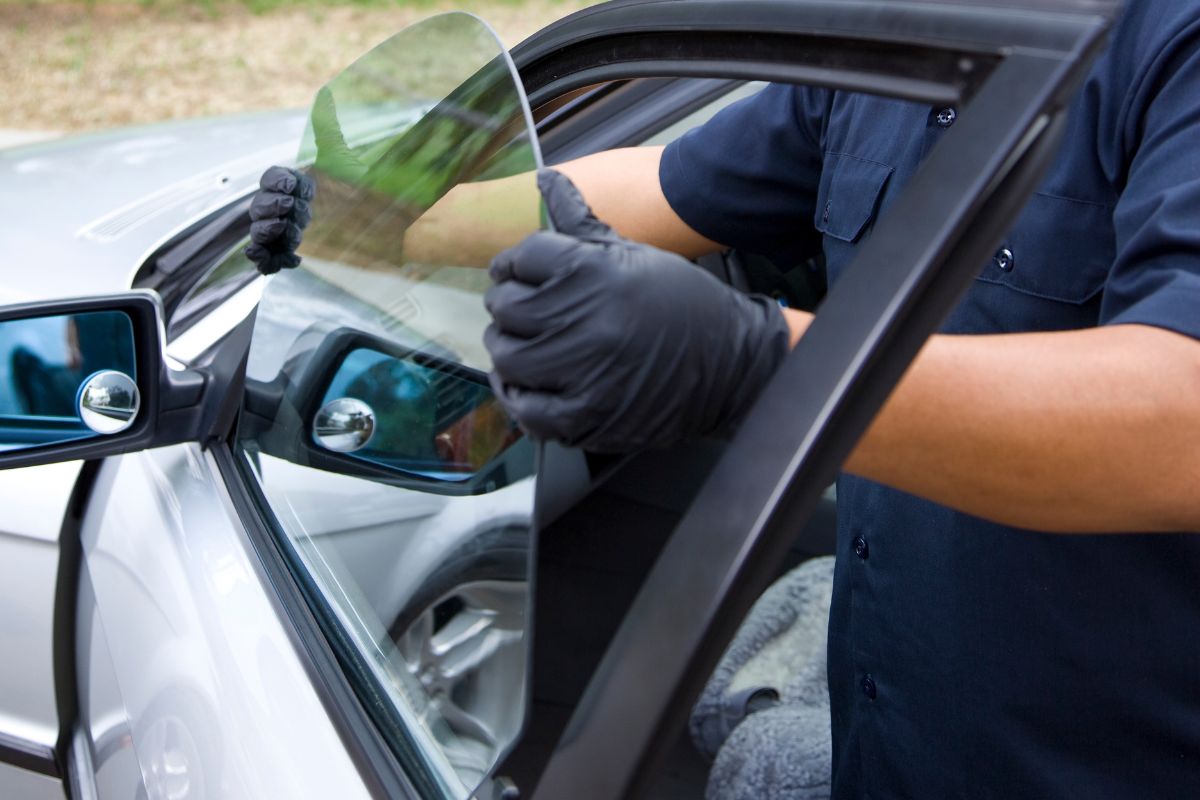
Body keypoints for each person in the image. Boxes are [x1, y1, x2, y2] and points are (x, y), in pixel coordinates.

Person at [248, 1, 1200, 794]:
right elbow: (663, 186)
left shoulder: (1172, 39)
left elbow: (1180, 421)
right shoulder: (903, 32)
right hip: (897, 734)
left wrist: (759, 366)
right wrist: (389, 223)